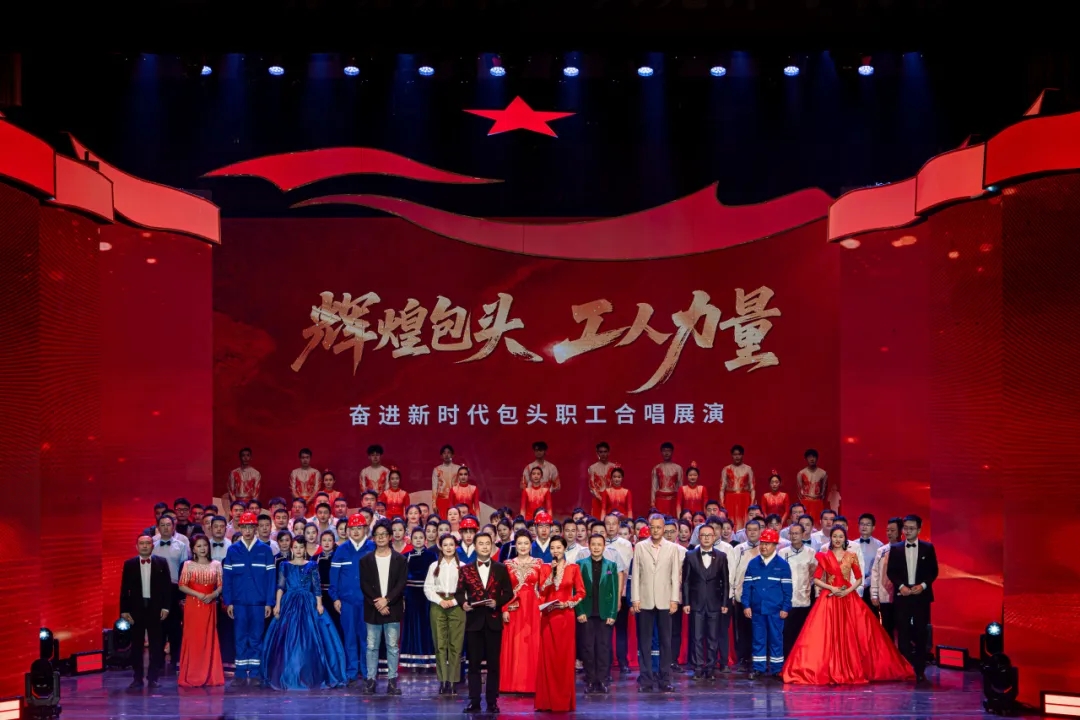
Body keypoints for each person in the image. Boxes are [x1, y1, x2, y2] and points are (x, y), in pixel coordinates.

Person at [783, 526, 914, 684]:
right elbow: (816, 579)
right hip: (829, 597)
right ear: (831, 539)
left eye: (840, 536)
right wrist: (831, 588)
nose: (837, 539)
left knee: (855, 632)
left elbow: (859, 578)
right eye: (835, 536)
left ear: (845, 539)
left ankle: (852, 666)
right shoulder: (824, 556)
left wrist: (848, 591)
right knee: (823, 635)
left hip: (848, 596)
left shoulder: (851, 556)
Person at [260, 540, 348, 689]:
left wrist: (319, 604)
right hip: (289, 603)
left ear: (304, 549)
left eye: (301, 547)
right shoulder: (284, 565)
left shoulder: (312, 565)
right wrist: (278, 605)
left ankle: (311, 674)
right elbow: (280, 587)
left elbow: (316, 587)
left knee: (312, 637)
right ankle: (287, 674)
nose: (298, 550)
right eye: (296, 547)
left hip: (308, 602)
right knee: (287, 638)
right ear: (292, 549)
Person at [455, 532, 513, 714]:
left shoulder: (501, 568)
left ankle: (492, 701)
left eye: (487, 543)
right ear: (475, 546)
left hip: (494, 621)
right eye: (481, 543)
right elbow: (459, 592)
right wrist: (463, 604)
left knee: (493, 665)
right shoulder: (465, 569)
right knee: (473, 664)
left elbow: (509, 592)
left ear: (492, 545)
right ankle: (474, 701)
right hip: (474, 622)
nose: (485, 546)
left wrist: (498, 602)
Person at [222, 511, 276, 688]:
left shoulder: (265, 550)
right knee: (240, 637)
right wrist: (228, 601)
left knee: (256, 638)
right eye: (244, 527)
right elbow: (227, 579)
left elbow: (271, 579)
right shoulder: (233, 550)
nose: (247, 530)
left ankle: (254, 673)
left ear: (255, 528)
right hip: (239, 602)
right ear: (240, 528)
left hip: (258, 603)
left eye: (250, 527)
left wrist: (269, 602)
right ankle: (239, 673)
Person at [631, 513, 682, 693]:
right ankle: (646, 679)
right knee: (644, 642)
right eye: (652, 527)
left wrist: (674, 599)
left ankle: (665, 679)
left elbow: (675, 575)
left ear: (664, 528)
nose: (655, 530)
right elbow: (635, 574)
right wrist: (635, 598)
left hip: (665, 600)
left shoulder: (672, 548)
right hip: (644, 600)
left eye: (659, 527)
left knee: (665, 642)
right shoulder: (640, 546)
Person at [535, 536, 586, 711]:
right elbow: (542, 590)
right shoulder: (544, 568)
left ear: (564, 549)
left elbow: (581, 592)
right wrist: (551, 574)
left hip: (565, 616)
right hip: (549, 616)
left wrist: (568, 603)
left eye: (558, 547)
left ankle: (563, 701)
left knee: (564, 658)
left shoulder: (574, 568)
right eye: (552, 548)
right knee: (548, 658)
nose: (555, 551)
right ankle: (546, 701)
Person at [887, 514, 938, 683]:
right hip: (902, 595)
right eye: (906, 528)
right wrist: (901, 586)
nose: (908, 531)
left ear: (919, 530)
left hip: (921, 596)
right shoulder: (896, 549)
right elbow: (891, 572)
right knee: (903, 633)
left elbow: (933, 571)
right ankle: (905, 668)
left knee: (921, 632)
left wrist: (922, 585)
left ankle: (920, 669)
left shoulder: (928, 548)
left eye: (911, 528)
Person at [359, 519, 407, 695]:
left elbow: (401, 584)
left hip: (392, 608)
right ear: (373, 538)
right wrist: (379, 603)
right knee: (372, 646)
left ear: (390, 537)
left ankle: (392, 682)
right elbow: (365, 585)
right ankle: (371, 680)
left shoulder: (400, 559)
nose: (380, 538)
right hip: (373, 608)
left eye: (384, 535)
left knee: (392, 646)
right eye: (377, 535)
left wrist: (387, 600)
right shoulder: (365, 560)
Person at [119, 535, 172, 690]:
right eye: (141, 543)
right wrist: (124, 610)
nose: (144, 546)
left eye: (147, 543)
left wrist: (166, 607)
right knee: (136, 645)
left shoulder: (161, 563)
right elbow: (124, 589)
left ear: (152, 546)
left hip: (156, 609)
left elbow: (167, 588)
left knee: (156, 645)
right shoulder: (129, 564)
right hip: (136, 609)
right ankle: (137, 678)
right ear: (136, 546)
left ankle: (153, 678)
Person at [328, 513, 374, 684]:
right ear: (347, 531)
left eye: (359, 528)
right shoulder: (341, 550)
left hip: (368, 602)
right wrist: (335, 598)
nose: (355, 531)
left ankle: (368, 671)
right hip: (347, 602)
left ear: (366, 529)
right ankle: (351, 671)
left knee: (367, 638)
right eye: (352, 528)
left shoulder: (373, 548)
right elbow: (334, 577)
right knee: (349, 637)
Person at [681, 523, 730, 681]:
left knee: (713, 638)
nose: (707, 538)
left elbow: (725, 581)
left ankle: (710, 668)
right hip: (696, 603)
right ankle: (697, 667)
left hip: (715, 603)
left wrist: (724, 603)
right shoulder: (690, 555)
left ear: (714, 537)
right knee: (696, 637)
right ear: (698, 537)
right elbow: (686, 581)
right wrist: (686, 602)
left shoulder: (721, 556)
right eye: (703, 535)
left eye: (709, 535)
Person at [741, 529, 791, 680]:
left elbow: (787, 589)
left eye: (768, 544)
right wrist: (746, 605)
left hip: (776, 610)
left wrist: (785, 607)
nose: (763, 546)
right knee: (758, 639)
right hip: (757, 610)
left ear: (775, 545)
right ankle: (759, 668)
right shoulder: (753, 564)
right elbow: (747, 587)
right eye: (762, 543)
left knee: (776, 639)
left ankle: (776, 669)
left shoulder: (782, 565)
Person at [496, 530, 543, 694]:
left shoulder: (539, 563)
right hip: (513, 607)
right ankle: (511, 684)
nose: (523, 546)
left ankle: (532, 685)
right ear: (515, 545)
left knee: (531, 643)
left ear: (531, 545)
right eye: (520, 543)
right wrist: (504, 608)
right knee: (513, 644)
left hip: (533, 608)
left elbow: (543, 588)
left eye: (526, 543)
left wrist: (543, 608)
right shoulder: (507, 564)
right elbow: (502, 590)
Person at [177, 534, 224, 687]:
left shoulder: (216, 564)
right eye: (199, 546)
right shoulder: (188, 565)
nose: (203, 548)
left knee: (208, 638)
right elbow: (181, 585)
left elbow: (221, 585)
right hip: (193, 606)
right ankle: (192, 675)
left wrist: (213, 595)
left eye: (205, 545)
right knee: (193, 640)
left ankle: (209, 675)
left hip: (210, 605)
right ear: (193, 549)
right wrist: (198, 595)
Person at [577, 533, 619, 694]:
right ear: (588, 546)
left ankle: (602, 680)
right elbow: (576, 590)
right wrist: (579, 611)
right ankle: (590, 680)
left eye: (599, 544)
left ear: (604, 546)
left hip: (604, 614)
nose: (596, 547)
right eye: (593, 544)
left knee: (603, 648)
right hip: (586, 614)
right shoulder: (580, 565)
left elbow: (614, 591)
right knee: (588, 648)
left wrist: (612, 614)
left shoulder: (611, 565)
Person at [425, 534, 465, 695]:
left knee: (455, 644)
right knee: (440, 644)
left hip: (456, 605)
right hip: (438, 604)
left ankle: (453, 681)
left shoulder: (462, 566)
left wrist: (453, 601)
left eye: (451, 544)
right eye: (445, 545)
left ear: (456, 546)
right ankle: (443, 680)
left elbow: (466, 591)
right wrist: (440, 601)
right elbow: (428, 588)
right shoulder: (434, 566)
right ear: (440, 547)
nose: (448, 547)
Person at [152, 515, 190, 672]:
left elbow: (185, 570)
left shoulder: (181, 546)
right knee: (158, 626)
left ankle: (176, 659)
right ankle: (158, 660)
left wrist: (183, 595)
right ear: (158, 527)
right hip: (156, 590)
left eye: (168, 525)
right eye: (162, 525)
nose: (166, 528)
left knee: (175, 626)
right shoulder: (152, 545)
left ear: (173, 527)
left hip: (175, 588)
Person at [778, 523, 817, 658]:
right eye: (792, 533)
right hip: (786, 601)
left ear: (803, 534)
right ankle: (785, 661)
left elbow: (814, 574)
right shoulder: (782, 552)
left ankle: (800, 660)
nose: (794, 536)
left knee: (801, 633)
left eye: (797, 533)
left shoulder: (811, 552)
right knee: (786, 633)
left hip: (804, 599)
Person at [401, 528, 436, 670]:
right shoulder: (405, 556)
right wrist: (403, 596)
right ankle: (412, 662)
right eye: (415, 537)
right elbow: (401, 579)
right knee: (412, 627)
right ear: (411, 539)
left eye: (421, 537)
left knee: (426, 626)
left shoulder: (432, 556)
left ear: (425, 539)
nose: (418, 540)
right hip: (411, 595)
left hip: (426, 595)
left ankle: (427, 661)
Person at [871, 517, 902, 640]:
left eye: (892, 530)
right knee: (886, 629)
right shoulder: (882, 551)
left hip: (902, 596)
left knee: (902, 629)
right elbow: (875, 572)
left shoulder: (905, 549)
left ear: (900, 531)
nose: (889, 533)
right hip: (884, 595)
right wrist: (874, 594)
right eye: (888, 530)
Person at [720, 445, 755, 530]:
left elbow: (752, 488)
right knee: (730, 520)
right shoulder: (726, 469)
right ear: (732, 455)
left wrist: (752, 503)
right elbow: (722, 488)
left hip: (745, 498)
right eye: (735, 454)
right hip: (730, 498)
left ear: (742, 455)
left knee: (744, 520)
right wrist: (722, 503)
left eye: (739, 454)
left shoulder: (748, 469)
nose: (737, 457)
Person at [651, 442, 683, 516]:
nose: (666, 453)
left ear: (672, 452)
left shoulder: (678, 468)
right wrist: (653, 503)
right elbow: (654, 487)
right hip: (660, 500)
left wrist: (680, 503)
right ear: (661, 452)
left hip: (673, 500)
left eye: (668, 451)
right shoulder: (656, 468)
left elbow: (680, 487)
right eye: (664, 451)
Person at [796, 449, 828, 522]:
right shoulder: (801, 473)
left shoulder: (823, 473)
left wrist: (818, 500)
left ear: (817, 458)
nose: (812, 459)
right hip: (805, 501)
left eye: (814, 457)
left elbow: (824, 490)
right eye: (809, 457)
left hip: (818, 502)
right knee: (804, 521)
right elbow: (799, 492)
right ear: (806, 459)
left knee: (817, 522)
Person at [586, 442, 615, 520]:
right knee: (597, 522)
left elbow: (617, 484)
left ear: (608, 452)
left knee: (612, 521)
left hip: (612, 499)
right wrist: (601, 499)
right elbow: (591, 487)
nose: (603, 454)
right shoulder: (592, 468)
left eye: (605, 452)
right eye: (601, 452)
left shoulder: (614, 467)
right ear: (597, 453)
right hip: (598, 500)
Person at [432, 444, 461, 520]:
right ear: (441, 456)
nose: (446, 455)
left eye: (448, 452)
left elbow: (461, 487)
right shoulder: (437, 470)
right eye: (444, 453)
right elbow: (434, 487)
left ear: (453, 455)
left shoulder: (458, 469)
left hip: (455, 500)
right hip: (441, 501)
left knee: (454, 520)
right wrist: (434, 504)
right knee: (442, 521)